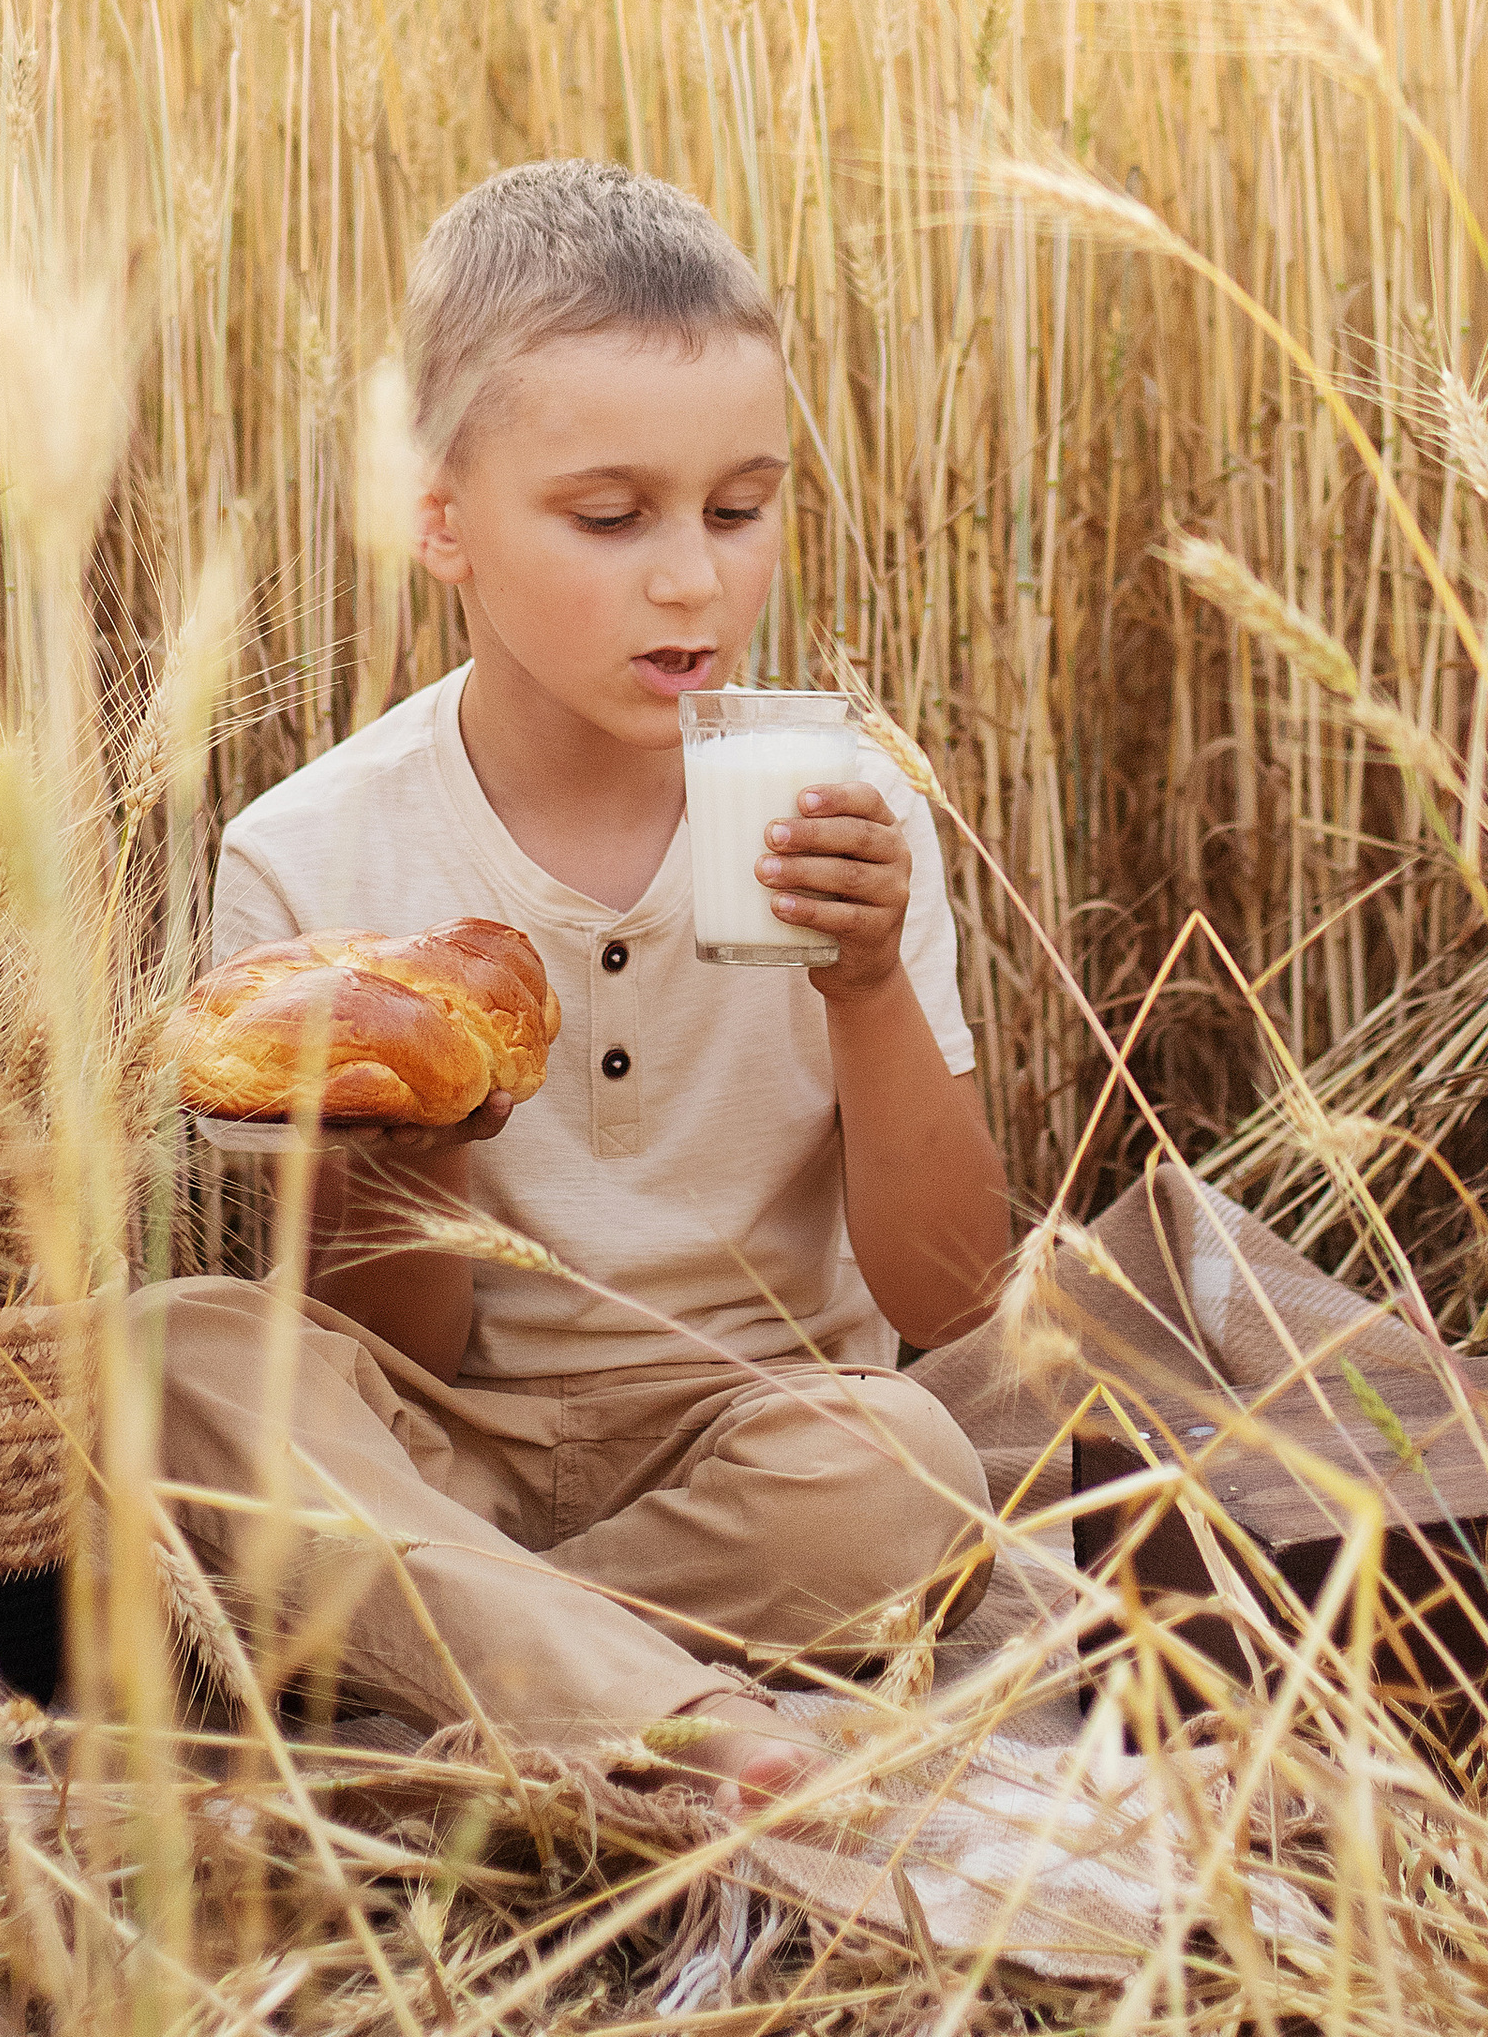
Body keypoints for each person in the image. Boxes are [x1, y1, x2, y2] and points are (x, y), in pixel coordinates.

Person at [147, 158, 1010, 1808]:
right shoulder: (313, 857)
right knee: (165, 1352)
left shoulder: (848, 813)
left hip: (748, 1443)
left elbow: (948, 1297)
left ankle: (469, 1681)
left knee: (911, 1467)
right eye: (611, 519)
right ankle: (669, 1706)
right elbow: (401, 1337)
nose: (690, 577)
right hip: (434, 1447)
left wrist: (868, 986)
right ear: (439, 516)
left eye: (739, 508)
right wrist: (415, 1119)